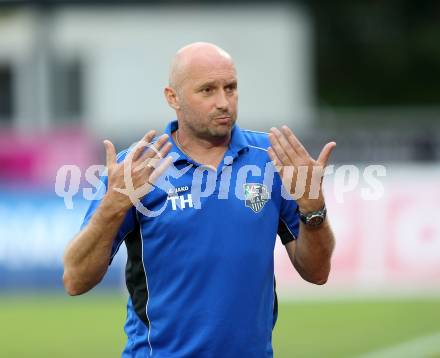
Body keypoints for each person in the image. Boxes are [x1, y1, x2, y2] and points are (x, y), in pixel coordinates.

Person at [63, 42, 336, 357]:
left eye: (230, 88)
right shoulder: (138, 167)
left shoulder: (272, 160)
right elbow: (75, 279)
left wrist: (314, 210)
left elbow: (317, 273)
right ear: (172, 97)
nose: (224, 102)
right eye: (207, 90)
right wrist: (112, 206)